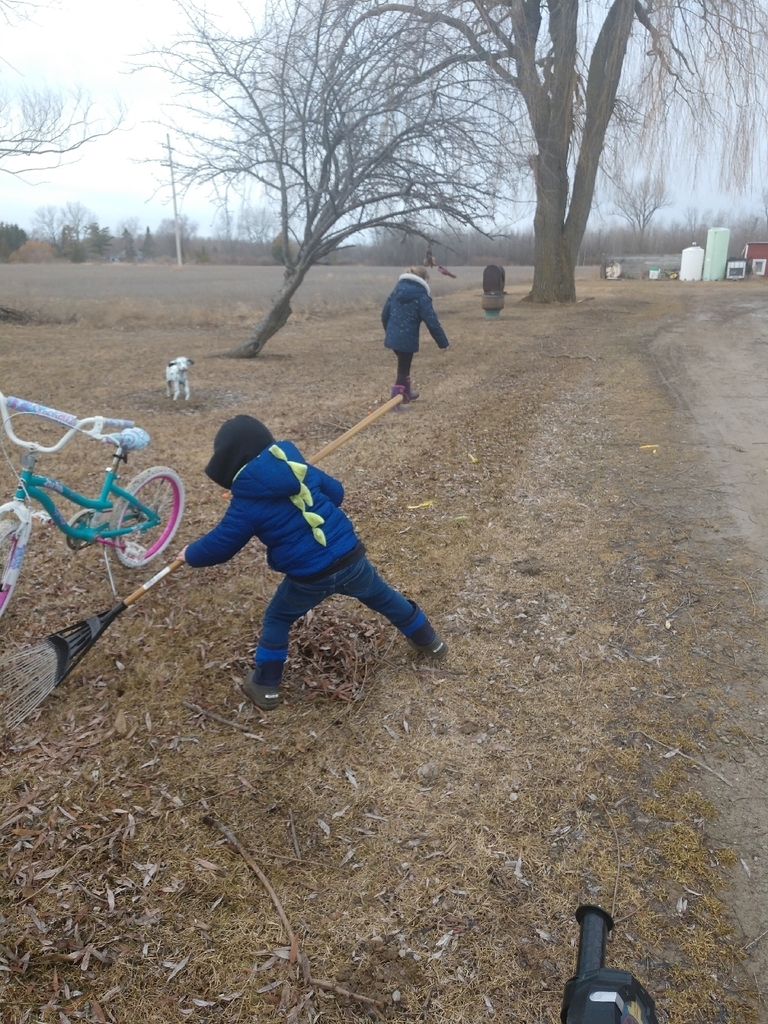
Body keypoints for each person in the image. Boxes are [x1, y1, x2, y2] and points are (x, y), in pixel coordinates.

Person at [176, 415, 448, 711]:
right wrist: (310, 478)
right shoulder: (299, 470)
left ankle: (266, 686)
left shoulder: (246, 503)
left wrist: (189, 553)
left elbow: (220, 546)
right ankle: (430, 642)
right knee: (385, 598)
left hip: (308, 577)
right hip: (350, 559)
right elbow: (338, 493)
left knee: (278, 619)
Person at [381, 265, 449, 407]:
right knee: (403, 369)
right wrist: (442, 342)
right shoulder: (421, 297)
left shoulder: (396, 292)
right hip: (407, 338)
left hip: (393, 337)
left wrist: (389, 332)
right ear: (423, 279)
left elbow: (384, 314)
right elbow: (432, 321)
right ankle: (395, 403)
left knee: (405, 366)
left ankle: (405, 394)